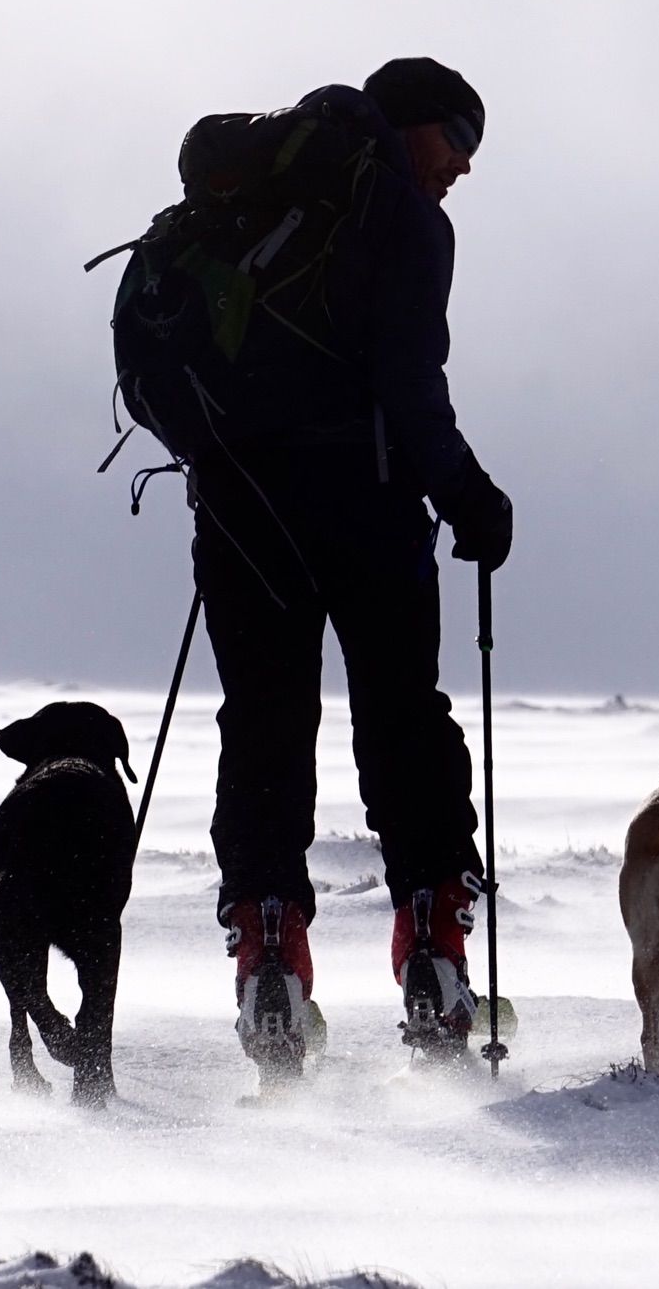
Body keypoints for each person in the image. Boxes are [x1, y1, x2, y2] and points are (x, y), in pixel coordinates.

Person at [188, 57, 513, 1078]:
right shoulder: (402, 219)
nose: (460, 167)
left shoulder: (253, 192)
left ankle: (268, 959)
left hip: (240, 515)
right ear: (409, 125)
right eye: (454, 140)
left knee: (264, 726)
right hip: (366, 512)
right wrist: (470, 499)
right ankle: (433, 956)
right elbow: (409, 389)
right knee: (403, 722)